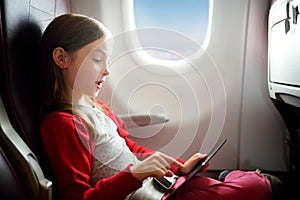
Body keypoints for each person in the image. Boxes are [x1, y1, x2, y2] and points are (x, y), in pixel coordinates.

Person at [39, 13, 282, 200]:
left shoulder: (98, 108)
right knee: (256, 188)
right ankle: (240, 180)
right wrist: (134, 175)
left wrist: (179, 166)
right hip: (143, 193)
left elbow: (131, 148)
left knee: (212, 184)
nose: (107, 70)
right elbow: (75, 197)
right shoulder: (62, 123)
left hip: (158, 186)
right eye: (97, 59)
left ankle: (232, 180)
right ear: (62, 59)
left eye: (107, 60)